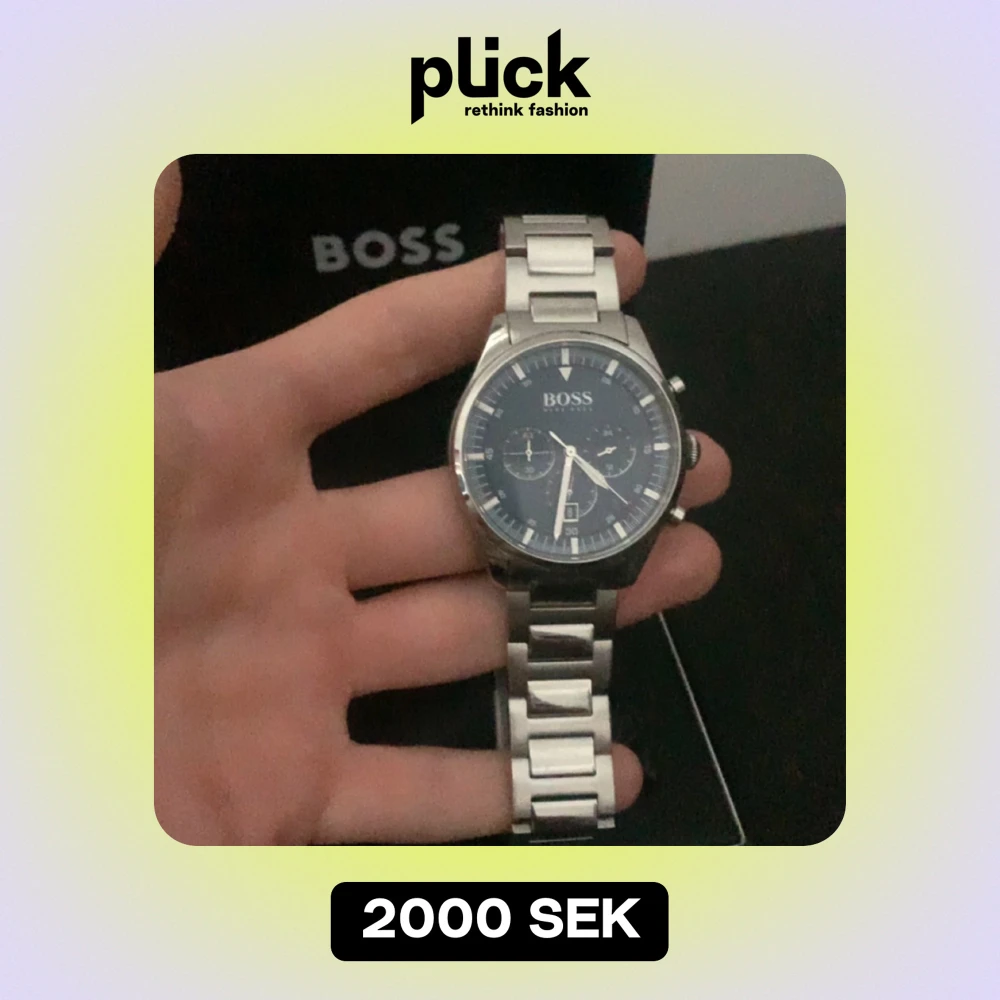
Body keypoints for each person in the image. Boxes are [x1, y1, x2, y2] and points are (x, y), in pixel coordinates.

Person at [153, 162, 732, 845]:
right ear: (467, 448)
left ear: (674, 451)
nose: (573, 453)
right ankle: (557, 799)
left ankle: (559, 795)